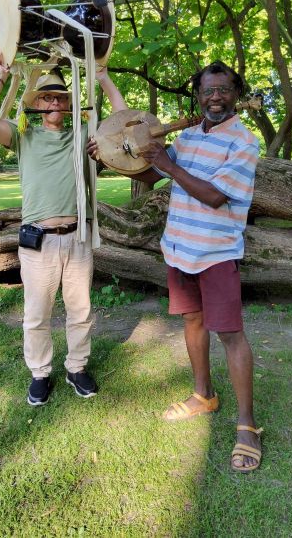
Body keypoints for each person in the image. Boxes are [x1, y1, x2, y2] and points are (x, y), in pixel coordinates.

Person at [88, 60, 262, 472]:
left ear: (236, 94)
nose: (215, 97)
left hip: (216, 252)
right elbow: (151, 176)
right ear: (198, 96)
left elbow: (215, 196)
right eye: (208, 91)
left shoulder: (243, 142)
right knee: (192, 322)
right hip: (180, 248)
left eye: (223, 89)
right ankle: (204, 395)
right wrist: (109, 155)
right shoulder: (187, 136)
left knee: (230, 335)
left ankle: (247, 426)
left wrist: (168, 164)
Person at [0, 49, 126, 406]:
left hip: (77, 239)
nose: (54, 102)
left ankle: (77, 367)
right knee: (37, 315)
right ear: (37, 105)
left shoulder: (84, 135)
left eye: (60, 97)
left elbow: (124, 122)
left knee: (80, 311)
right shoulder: (23, 135)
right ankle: (40, 373)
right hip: (38, 243)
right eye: (46, 97)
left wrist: (102, 76)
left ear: (70, 104)